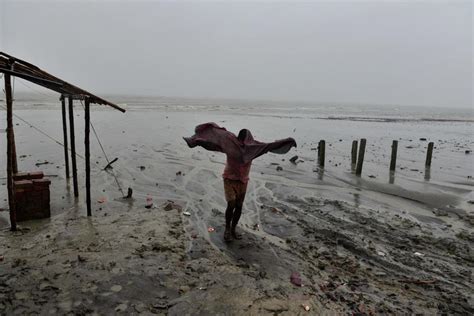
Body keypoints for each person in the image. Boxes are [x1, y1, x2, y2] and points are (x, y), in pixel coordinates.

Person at [184, 122, 296, 242]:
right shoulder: (230, 143)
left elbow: (271, 145)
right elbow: (214, 140)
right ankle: (227, 229)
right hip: (229, 178)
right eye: (241, 140)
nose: (242, 144)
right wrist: (196, 140)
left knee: (239, 206)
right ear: (238, 138)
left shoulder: (254, 148)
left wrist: (287, 141)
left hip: (243, 181)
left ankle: (233, 229)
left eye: (244, 141)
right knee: (231, 204)